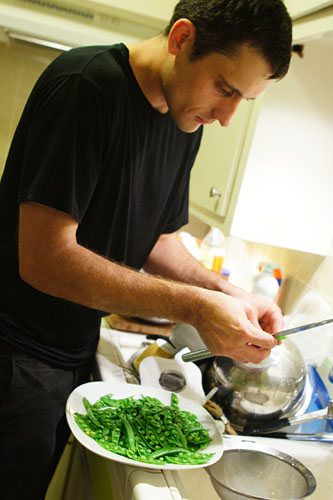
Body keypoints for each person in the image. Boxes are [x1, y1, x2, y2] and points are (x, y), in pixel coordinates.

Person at [0, 0, 292, 498]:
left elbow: (155, 239)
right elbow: (44, 258)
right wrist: (195, 306)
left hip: (70, 353)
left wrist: (231, 293)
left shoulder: (185, 123)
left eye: (243, 99)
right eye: (225, 89)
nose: (226, 117)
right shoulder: (88, 87)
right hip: (15, 356)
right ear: (182, 39)